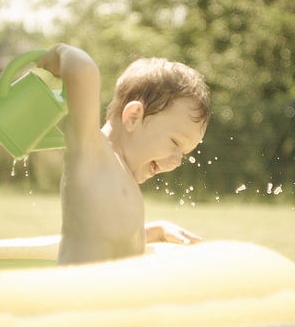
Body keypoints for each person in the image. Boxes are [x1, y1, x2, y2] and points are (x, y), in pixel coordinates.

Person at [37, 44, 211, 265]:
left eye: (184, 154)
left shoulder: (121, 174)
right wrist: (59, 53)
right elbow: (83, 70)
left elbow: (107, 239)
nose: (177, 161)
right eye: (175, 142)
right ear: (133, 117)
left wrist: (156, 230)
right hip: (77, 296)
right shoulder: (93, 153)